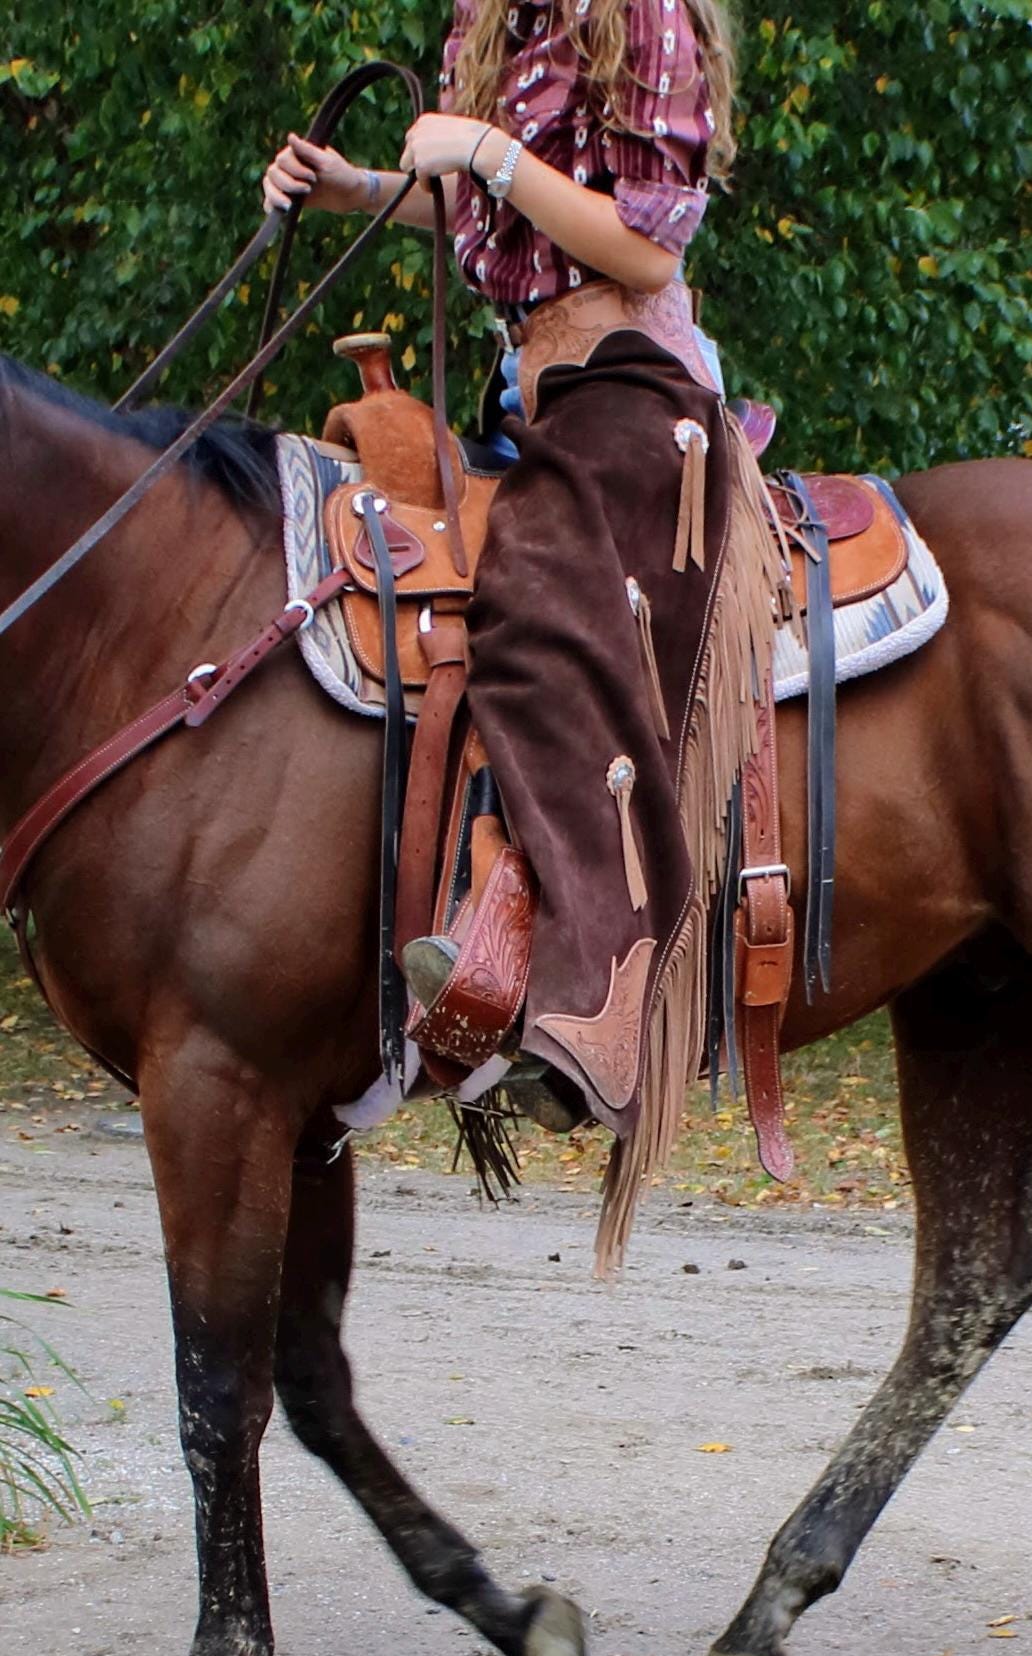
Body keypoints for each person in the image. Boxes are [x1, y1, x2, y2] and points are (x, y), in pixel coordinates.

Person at [262, 0, 784, 1262]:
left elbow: (643, 247)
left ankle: (592, 1005)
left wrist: (485, 152)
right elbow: (501, 214)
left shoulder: (637, 13)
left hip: (630, 386)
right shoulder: (495, 20)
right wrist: (359, 190)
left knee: (540, 621)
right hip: (533, 388)